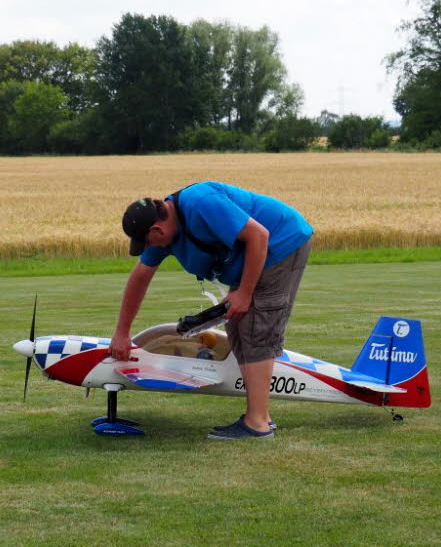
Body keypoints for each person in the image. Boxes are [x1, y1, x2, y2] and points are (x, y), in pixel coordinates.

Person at [109, 182, 313, 439]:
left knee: (256, 327)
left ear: (157, 229)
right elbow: (140, 278)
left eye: (147, 242)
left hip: (281, 242)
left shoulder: (200, 202)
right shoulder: (164, 238)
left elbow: (259, 236)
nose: (148, 247)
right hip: (257, 254)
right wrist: (122, 333)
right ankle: (261, 416)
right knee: (236, 324)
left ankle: (257, 423)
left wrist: (245, 292)